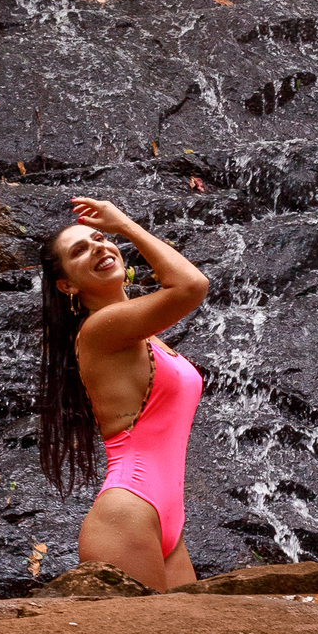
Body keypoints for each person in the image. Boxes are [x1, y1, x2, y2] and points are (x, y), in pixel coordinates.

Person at [38, 196, 209, 592]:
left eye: (100, 237)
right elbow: (191, 285)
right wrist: (124, 226)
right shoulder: (101, 328)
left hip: (166, 520)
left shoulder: (140, 331)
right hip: (127, 514)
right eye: (80, 250)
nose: (99, 246)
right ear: (67, 285)